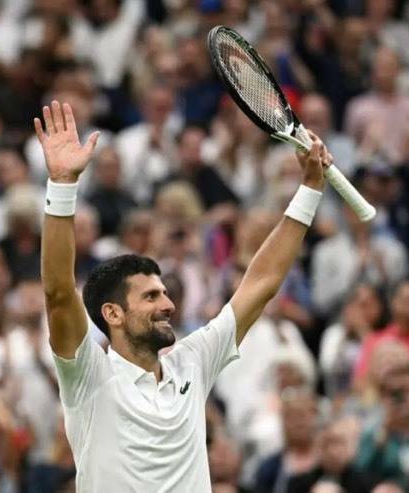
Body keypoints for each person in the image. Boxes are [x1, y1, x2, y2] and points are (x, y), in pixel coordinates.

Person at [33, 100, 332, 491]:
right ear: (113, 313)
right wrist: (61, 185)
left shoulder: (192, 363)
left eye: (165, 294)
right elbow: (58, 292)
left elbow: (261, 283)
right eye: (151, 297)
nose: (169, 305)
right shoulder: (89, 376)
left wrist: (309, 189)